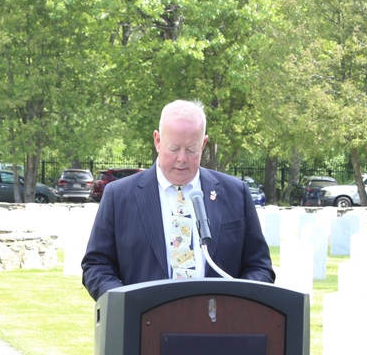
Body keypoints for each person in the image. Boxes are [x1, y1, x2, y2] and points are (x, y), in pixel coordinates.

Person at [81, 99, 274, 300]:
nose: (182, 158)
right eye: (173, 148)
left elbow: (259, 267)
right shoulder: (118, 196)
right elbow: (97, 266)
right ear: (157, 141)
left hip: (220, 326)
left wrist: (241, 305)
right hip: (143, 325)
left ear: (204, 144)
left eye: (191, 149)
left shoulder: (236, 193)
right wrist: (125, 306)